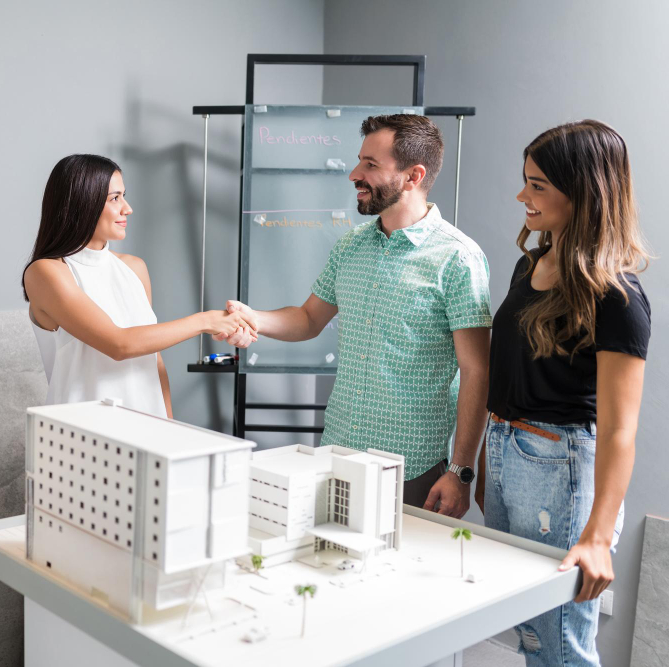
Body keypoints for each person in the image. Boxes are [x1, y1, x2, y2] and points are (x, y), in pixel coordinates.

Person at [224, 114, 492, 514]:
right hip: (337, 453)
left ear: (412, 176)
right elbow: (309, 319)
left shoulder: (458, 258)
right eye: (359, 161)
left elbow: (477, 371)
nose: (354, 174)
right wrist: (252, 318)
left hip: (413, 468)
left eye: (371, 164)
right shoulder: (350, 246)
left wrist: (460, 470)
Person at [477, 120, 650, 666]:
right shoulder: (531, 265)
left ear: (585, 193)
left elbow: (620, 429)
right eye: (526, 181)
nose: (522, 196)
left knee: (560, 647)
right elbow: (508, 378)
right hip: (508, 452)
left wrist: (598, 536)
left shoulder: (617, 296)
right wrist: (487, 463)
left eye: (538, 185)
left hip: (561, 470)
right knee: (529, 635)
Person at [21, 154, 256, 418]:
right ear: (82, 203)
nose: (127, 208)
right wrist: (206, 321)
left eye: (123, 196)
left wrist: (169, 426)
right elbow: (119, 345)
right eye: (115, 198)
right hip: (81, 438)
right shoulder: (46, 272)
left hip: (147, 430)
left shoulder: (133, 268)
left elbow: (152, 357)